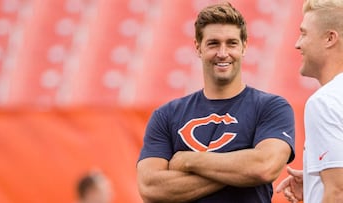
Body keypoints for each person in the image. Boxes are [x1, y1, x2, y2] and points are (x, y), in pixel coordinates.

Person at [137, 2, 295, 203]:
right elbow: (150, 187)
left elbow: (265, 167)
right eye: (213, 43)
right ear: (198, 47)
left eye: (231, 43)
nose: (222, 53)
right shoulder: (167, 114)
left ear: (244, 46)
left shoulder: (271, 107)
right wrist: (241, 167)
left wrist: (188, 160)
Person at [276, 0, 343, 202]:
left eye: (304, 33)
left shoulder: (324, 101)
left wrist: (328, 188)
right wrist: (317, 183)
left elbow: (338, 190)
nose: (297, 44)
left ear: (330, 38)